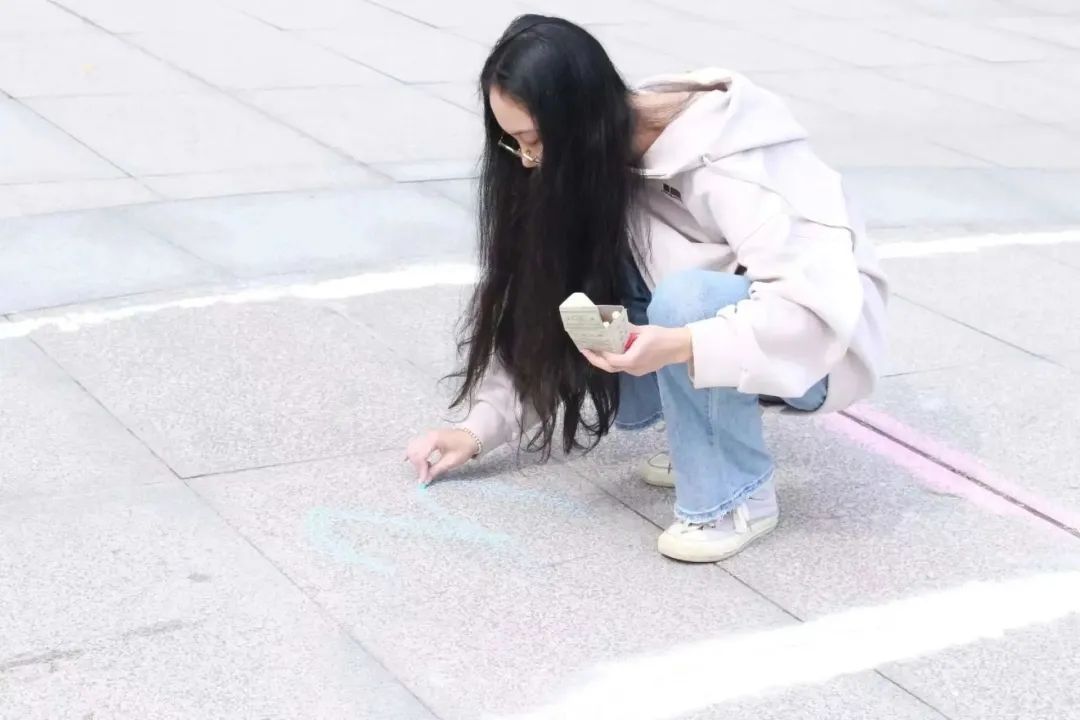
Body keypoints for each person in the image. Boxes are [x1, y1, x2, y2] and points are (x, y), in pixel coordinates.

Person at [405, 15, 888, 563]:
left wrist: (681, 343)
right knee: (580, 285)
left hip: (824, 347)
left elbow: (810, 310)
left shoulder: (733, 161)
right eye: (514, 142)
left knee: (687, 302)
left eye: (534, 140)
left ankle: (736, 497)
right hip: (729, 321)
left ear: (582, 119)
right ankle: (702, 432)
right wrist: (475, 431)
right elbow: (539, 308)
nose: (528, 160)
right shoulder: (601, 157)